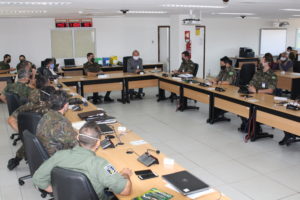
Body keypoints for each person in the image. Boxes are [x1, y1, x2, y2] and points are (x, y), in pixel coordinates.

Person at [33, 121, 132, 199]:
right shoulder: (100, 164)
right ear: (98, 143)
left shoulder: (59, 155)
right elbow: (125, 191)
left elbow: (38, 179)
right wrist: (125, 174)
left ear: (77, 137)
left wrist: (58, 193)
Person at [7, 86, 55, 170]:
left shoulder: (28, 106)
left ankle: (16, 159)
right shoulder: (51, 108)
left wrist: (24, 134)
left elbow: (10, 120)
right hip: (47, 139)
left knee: (33, 139)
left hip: (32, 137)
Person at [239, 56, 278, 132]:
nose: (260, 62)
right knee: (241, 105)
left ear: (267, 62)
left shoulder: (272, 75)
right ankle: (247, 124)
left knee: (252, 109)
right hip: (255, 95)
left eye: (262, 61)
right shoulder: (258, 72)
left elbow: (270, 90)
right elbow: (251, 82)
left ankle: (254, 126)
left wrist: (256, 91)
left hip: (265, 99)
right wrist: (250, 87)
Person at [36, 90, 78, 156]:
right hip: (58, 157)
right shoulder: (62, 122)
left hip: (46, 152)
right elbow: (75, 144)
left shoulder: (47, 114)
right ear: (66, 105)